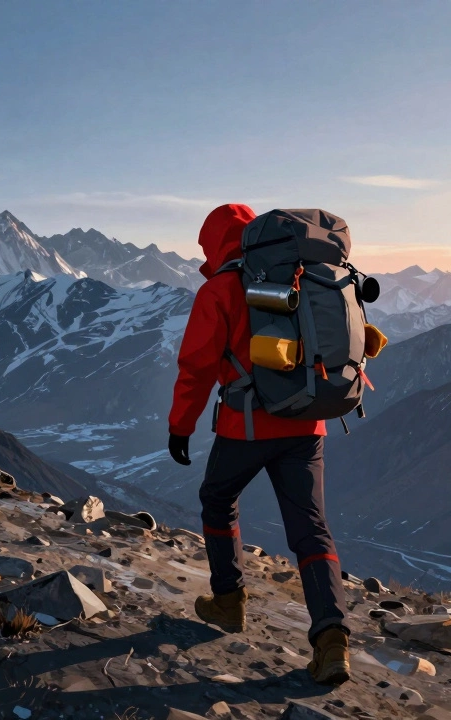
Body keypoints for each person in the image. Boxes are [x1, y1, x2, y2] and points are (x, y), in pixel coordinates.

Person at [167, 203, 351, 685]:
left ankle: (229, 601)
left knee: (218, 498)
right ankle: (331, 637)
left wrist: (180, 426)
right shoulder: (305, 275)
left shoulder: (221, 288)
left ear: (213, 241)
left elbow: (197, 368)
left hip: (246, 426)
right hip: (307, 423)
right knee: (311, 529)